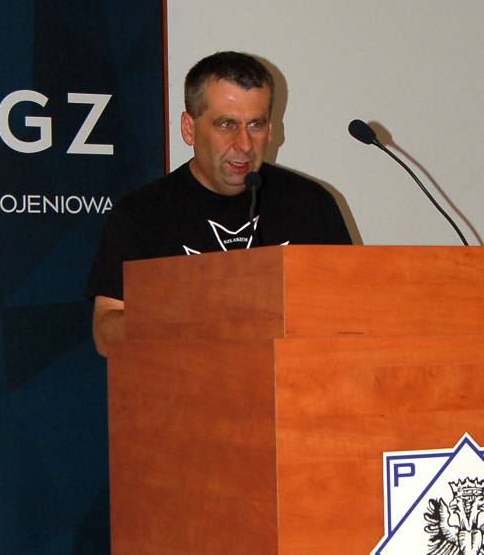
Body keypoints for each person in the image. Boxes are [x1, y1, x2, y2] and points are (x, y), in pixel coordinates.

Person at [85, 51, 352, 353]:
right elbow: (105, 333)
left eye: (255, 125)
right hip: (186, 381)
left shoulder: (312, 204)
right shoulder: (141, 213)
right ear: (189, 128)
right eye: (227, 125)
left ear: (270, 131)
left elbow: (354, 314)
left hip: (297, 381)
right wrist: (191, 314)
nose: (244, 144)